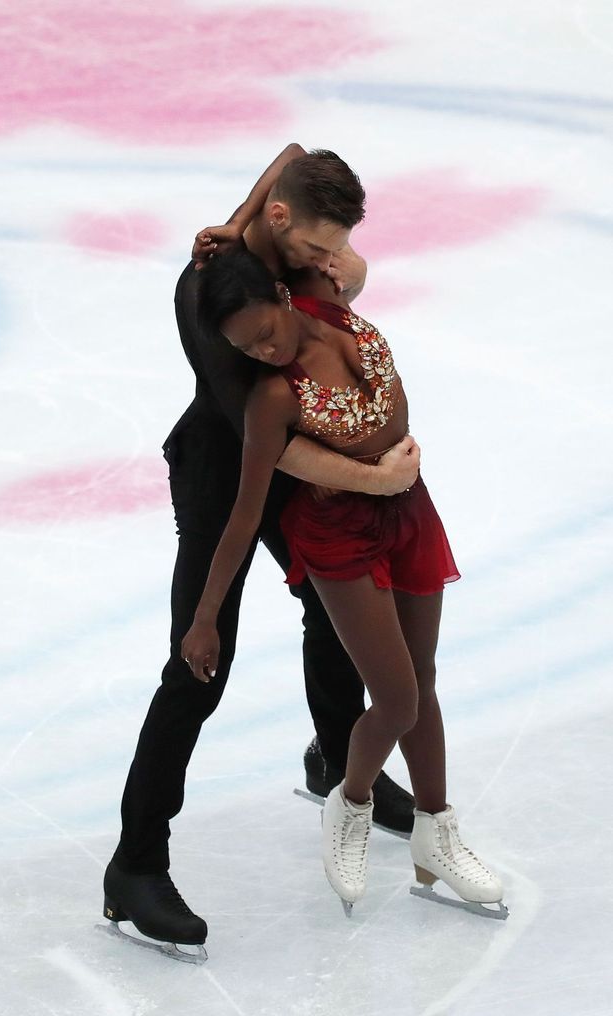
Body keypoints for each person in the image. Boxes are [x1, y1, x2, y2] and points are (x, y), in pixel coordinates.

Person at [103, 147, 421, 960]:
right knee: (199, 667)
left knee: (330, 607)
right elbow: (273, 454)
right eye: (317, 250)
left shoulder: (276, 247)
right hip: (225, 475)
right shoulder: (216, 306)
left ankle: (335, 752)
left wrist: (245, 216)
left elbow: (294, 154)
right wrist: (374, 478)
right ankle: (135, 867)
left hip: (281, 468)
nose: (331, 263)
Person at [182, 248, 506, 921]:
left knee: (423, 679)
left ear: (280, 292)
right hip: (336, 535)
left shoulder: (330, 306)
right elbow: (244, 517)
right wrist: (206, 615)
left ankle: (436, 834)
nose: (266, 350)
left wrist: (228, 229)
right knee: (397, 700)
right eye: (248, 347)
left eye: (267, 330)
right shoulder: (274, 396)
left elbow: (302, 167)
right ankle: (349, 802)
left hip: (410, 510)